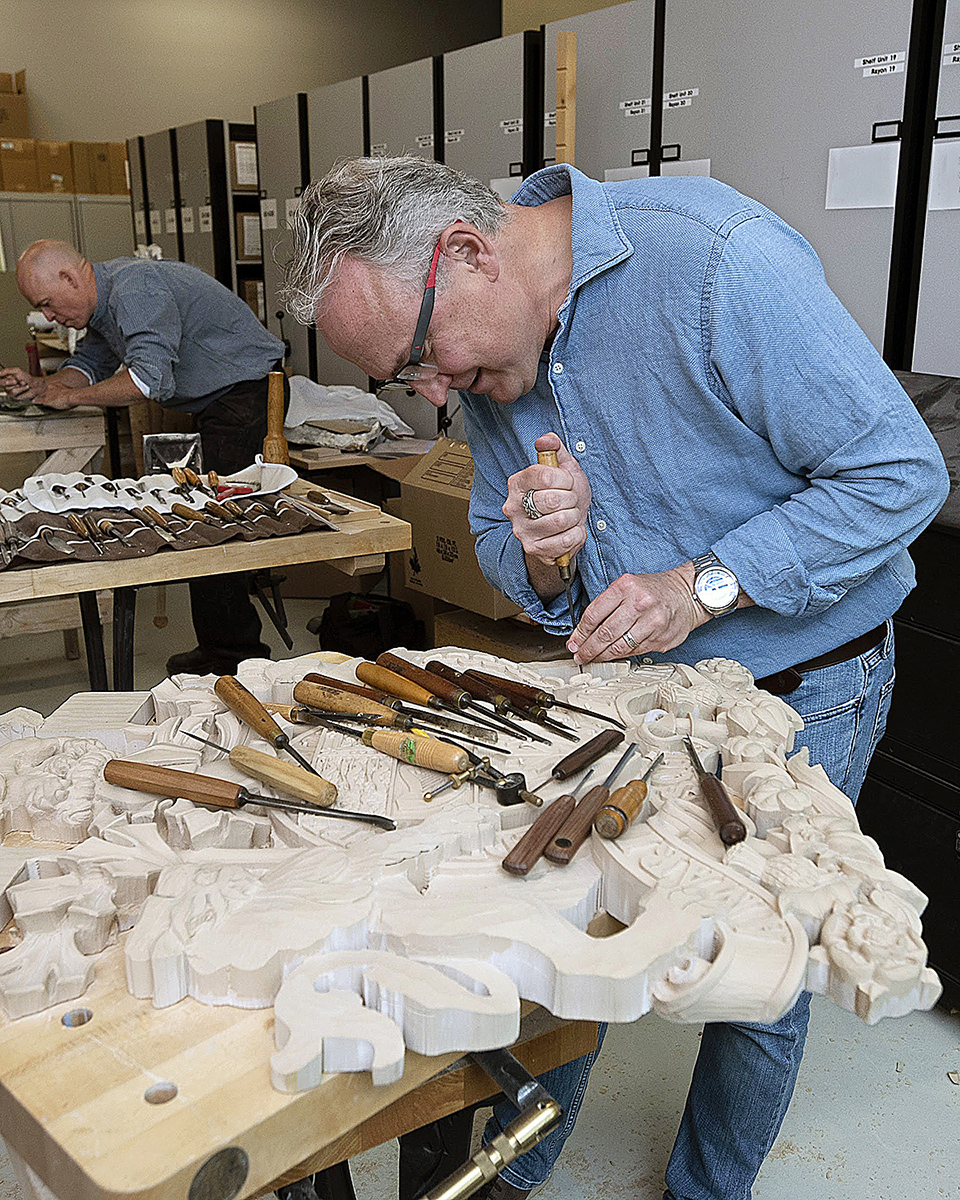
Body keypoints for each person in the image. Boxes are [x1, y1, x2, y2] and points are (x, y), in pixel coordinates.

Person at [278, 157, 949, 1200]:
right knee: (569, 921)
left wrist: (701, 584)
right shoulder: (484, 352)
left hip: (802, 679)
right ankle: (513, 1170)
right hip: (631, 687)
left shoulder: (717, 262)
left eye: (420, 359)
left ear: (467, 254)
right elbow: (507, 550)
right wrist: (551, 551)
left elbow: (899, 475)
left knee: (759, 957)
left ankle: (705, 1189)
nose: (433, 393)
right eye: (405, 380)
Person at [0, 241, 286, 677]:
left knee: (214, 527)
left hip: (247, 392)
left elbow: (149, 382)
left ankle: (235, 658)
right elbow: (90, 365)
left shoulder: (135, 289)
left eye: (47, 304)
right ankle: (223, 648)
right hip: (221, 398)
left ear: (69, 278)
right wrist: (44, 387)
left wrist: (70, 397)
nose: (50, 317)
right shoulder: (105, 302)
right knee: (204, 519)